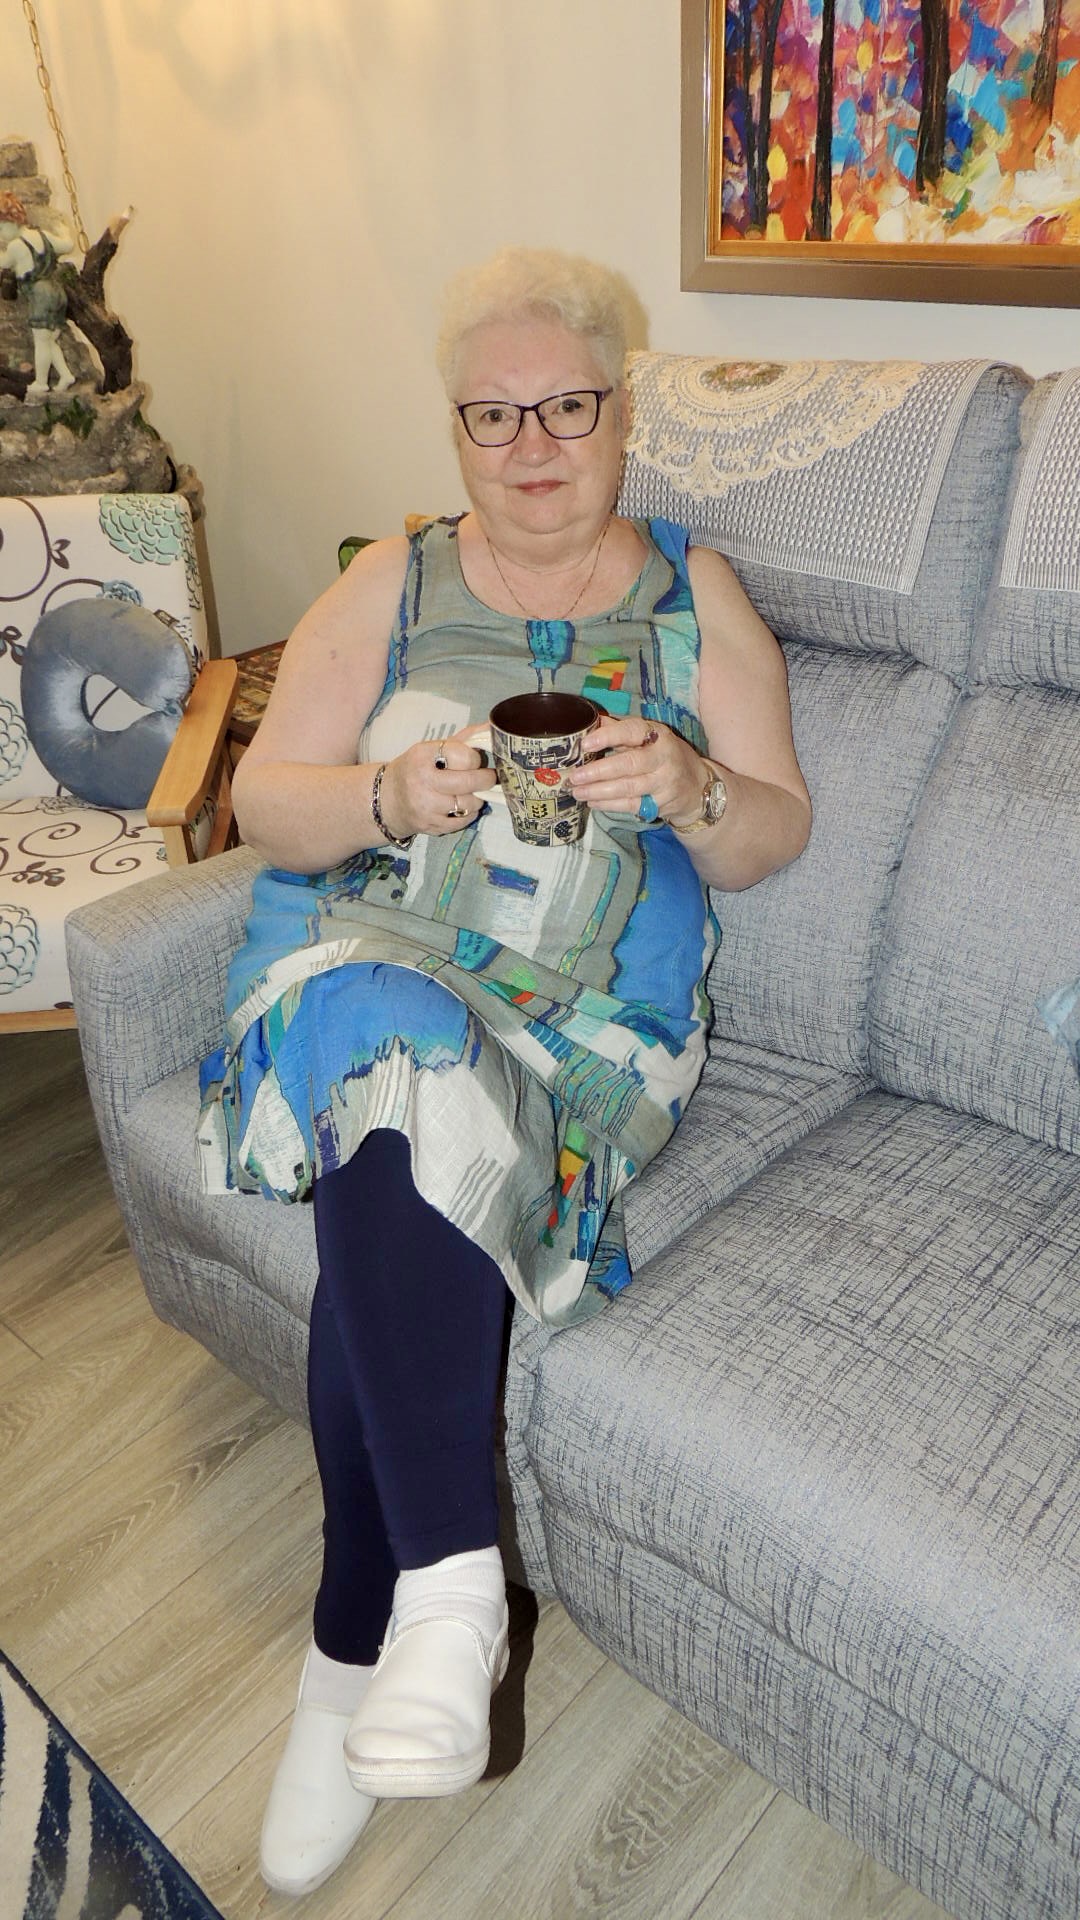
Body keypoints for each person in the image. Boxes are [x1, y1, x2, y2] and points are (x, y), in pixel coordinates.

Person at [197, 245, 810, 1896]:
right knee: (379, 1031)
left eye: (566, 408)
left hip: (585, 1030)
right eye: (493, 415)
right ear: (455, 429)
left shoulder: (697, 592)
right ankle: (451, 1593)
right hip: (384, 962)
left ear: (621, 412)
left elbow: (774, 833)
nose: (532, 445)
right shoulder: (392, 580)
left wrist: (690, 785)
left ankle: (354, 1648)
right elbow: (264, 799)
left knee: (387, 1153)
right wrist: (386, 798)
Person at [0, 192, 76, 399]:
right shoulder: (42, 235)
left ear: (13, 221)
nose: (0, 234)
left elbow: (4, 262)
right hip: (56, 292)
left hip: (40, 296)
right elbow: (67, 245)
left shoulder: (16, 246)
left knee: (41, 341)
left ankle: (41, 383)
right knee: (50, 340)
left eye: (1, 228)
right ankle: (66, 375)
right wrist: (63, 229)